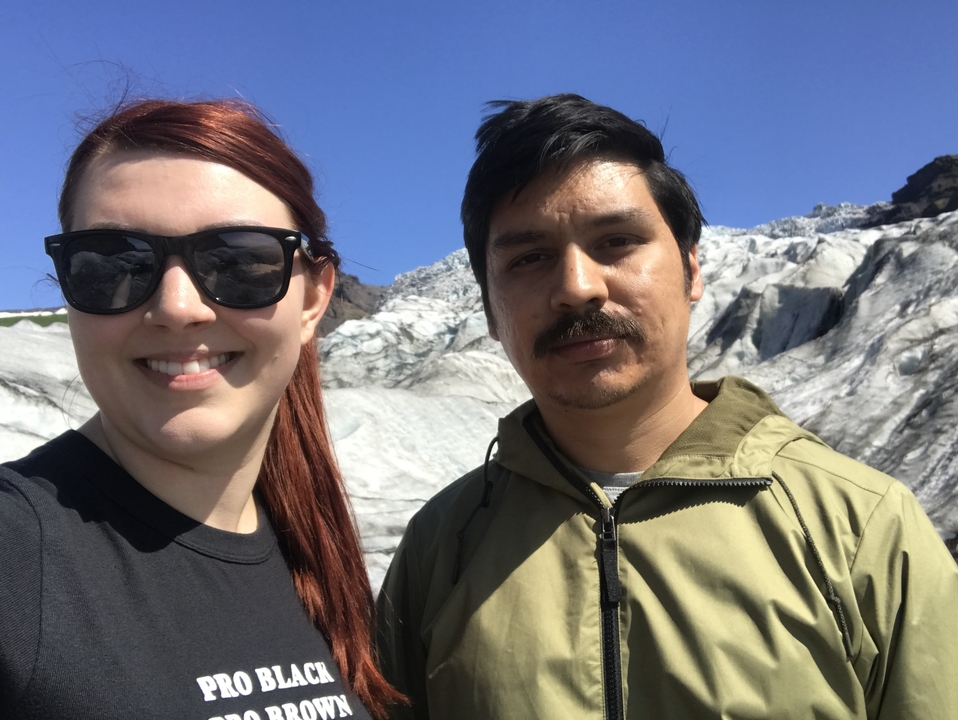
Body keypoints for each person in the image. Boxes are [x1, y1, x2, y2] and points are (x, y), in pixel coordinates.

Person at [376, 93, 958, 719]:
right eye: (529, 258)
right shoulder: (440, 549)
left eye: (617, 241)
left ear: (691, 269)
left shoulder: (862, 528)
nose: (577, 288)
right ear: (490, 310)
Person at [0, 99, 402, 719]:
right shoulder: (17, 559)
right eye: (114, 263)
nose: (177, 306)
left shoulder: (317, 560)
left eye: (240, 261)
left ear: (315, 299)